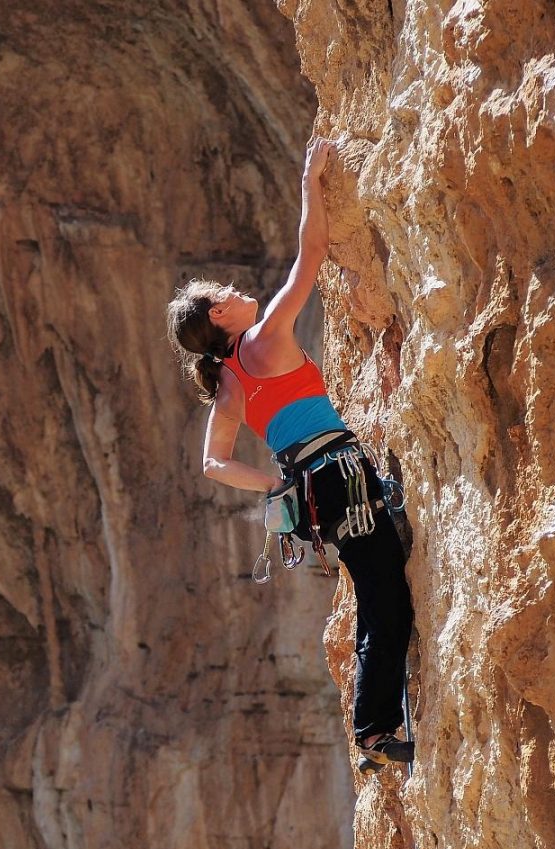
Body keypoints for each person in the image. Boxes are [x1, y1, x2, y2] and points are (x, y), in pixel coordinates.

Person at [165, 137, 415, 769]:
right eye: (226, 290)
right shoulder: (266, 335)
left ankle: (375, 729)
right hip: (339, 473)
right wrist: (311, 179)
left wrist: (277, 488)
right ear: (221, 312)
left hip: (315, 488)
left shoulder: (227, 381)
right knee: (388, 598)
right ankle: (375, 734)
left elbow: (213, 464)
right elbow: (313, 252)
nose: (238, 289)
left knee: (376, 587)